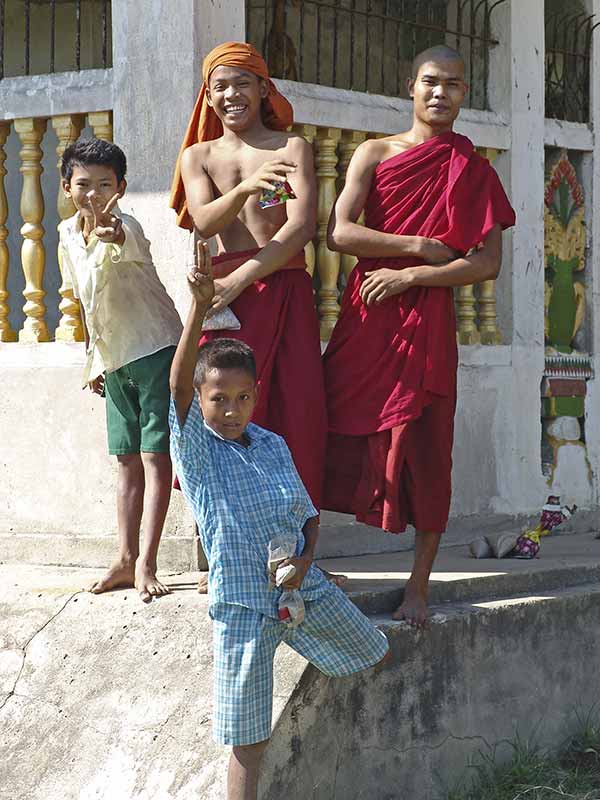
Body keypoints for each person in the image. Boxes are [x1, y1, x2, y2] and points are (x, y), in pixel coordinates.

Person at [169, 243, 389, 800]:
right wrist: (197, 308)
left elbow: (308, 515)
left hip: (300, 589)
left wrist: (307, 561)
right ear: (200, 402)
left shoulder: (271, 444)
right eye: (218, 399)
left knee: (371, 649)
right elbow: (176, 389)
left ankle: (301, 652)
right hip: (243, 605)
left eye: (242, 397)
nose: (231, 409)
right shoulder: (198, 451)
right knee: (249, 741)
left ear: (256, 395)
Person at [323, 45, 516, 627]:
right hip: (369, 315)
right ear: (410, 85)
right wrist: (415, 246)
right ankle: (304, 563)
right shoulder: (375, 153)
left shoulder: (474, 170)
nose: (440, 93)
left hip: (427, 318)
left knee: (430, 445)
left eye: (453, 84)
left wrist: (414, 275)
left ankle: (418, 587)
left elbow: (487, 264)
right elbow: (339, 233)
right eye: (431, 81)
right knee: (326, 424)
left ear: (464, 94)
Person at [170, 41, 344, 589]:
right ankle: (222, 554)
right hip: (222, 304)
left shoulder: (290, 147)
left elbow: (299, 226)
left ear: (263, 88)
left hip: (280, 289)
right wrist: (246, 184)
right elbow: (202, 220)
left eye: (242, 83)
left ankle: (300, 557)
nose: (231, 95)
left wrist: (243, 277)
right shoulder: (198, 156)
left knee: (296, 415)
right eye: (220, 86)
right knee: (215, 418)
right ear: (208, 96)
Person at [59, 138, 183, 601]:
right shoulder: (65, 234)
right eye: (83, 184)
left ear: (121, 188)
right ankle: (125, 558)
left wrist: (110, 229)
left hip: (155, 350)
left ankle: (147, 562)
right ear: (67, 187)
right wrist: (93, 359)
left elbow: (120, 238)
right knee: (126, 461)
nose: (93, 195)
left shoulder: (126, 225)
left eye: (104, 185)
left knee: (155, 458)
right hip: (113, 361)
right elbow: (85, 301)